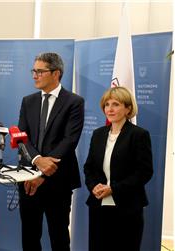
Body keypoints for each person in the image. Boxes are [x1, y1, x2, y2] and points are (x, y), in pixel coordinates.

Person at [17, 52, 84, 251]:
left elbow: (69, 140)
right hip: (28, 179)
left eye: (40, 71)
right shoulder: (28, 101)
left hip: (59, 180)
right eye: (34, 71)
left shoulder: (74, 102)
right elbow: (22, 137)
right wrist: (37, 161)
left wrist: (44, 173)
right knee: (29, 237)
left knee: (59, 236)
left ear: (56, 73)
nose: (34, 75)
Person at [84, 86, 153, 251]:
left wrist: (113, 189)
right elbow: (89, 167)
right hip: (99, 205)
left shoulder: (138, 135)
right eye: (107, 105)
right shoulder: (98, 134)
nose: (110, 109)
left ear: (128, 108)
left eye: (116, 104)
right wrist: (94, 186)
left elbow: (144, 172)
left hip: (127, 206)